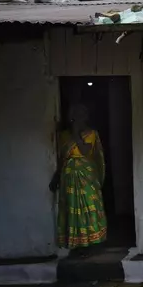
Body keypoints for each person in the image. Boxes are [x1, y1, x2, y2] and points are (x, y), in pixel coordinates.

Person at [49, 104, 107, 252]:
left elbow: (85, 151)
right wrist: (57, 176)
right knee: (72, 208)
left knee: (89, 207)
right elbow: (62, 157)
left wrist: (76, 133)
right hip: (69, 178)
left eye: (82, 115)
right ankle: (77, 245)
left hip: (87, 176)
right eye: (75, 116)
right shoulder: (63, 136)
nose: (78, 118)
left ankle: (93, 244)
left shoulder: (91, 134)